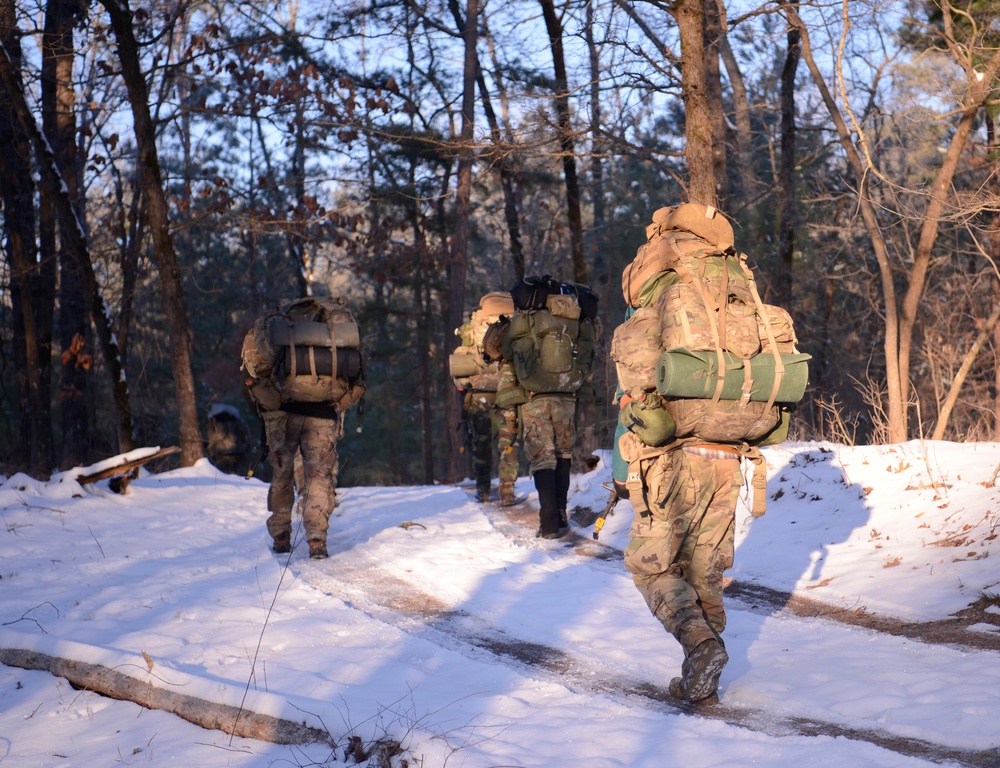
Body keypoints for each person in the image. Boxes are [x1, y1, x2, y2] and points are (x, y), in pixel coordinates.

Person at [611, 203, 798, 704]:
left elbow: (636, 373)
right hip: (731, 449)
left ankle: (699, 648)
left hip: (673, 453)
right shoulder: (737, 286)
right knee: (705, 568)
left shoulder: (663, 288)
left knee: (651, 565)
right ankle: (702, 675)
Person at [241, 297, 365, 560]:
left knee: (282, 475)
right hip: (323, 413)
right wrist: (337, 405)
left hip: (284, 415)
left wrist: (267, 399)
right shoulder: (336, 332)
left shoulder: (279, 330)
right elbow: (358, 380)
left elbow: (257, 371)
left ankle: (281, 537)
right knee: (319, 477)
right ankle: (317, 540)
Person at [502, 278, 598, 539]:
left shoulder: (529, 318)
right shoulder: (573, 318)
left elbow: (508, 350)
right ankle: (562, 514)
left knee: (542, 457)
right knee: (563, 453)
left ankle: (548, 524)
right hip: (567, 394)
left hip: (535, 397)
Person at [450, 292, 520, 505]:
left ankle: (483, 490)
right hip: (509, 392)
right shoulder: (514, 323)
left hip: (480, 394)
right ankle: (507, 490)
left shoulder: (473, 328)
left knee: (481, 443)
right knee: (508, 443)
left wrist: (466, 385)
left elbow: (460, 373)